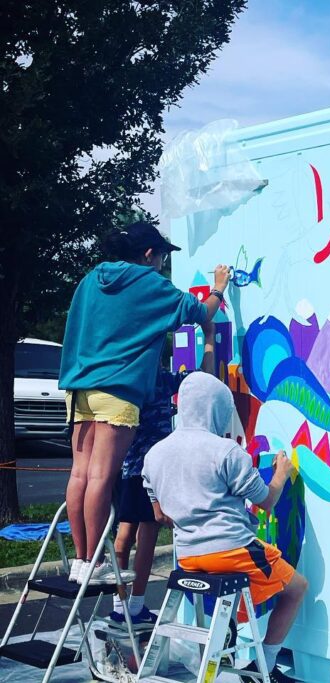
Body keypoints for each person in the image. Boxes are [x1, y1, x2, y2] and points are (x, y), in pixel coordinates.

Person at [59, 220, 230, 584]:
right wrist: (218, 288)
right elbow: (201, 313)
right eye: (163, 258)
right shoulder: (149, 283)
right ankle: (94, 565)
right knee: (101, 476)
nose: (163, 266)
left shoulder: (91, 280)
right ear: (149, 254)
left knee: (79, 474)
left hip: (78, 386)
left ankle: (80, 560)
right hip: (118, 389)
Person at [142, 372, 308, 683]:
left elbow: (160, 514)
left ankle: (228, 645)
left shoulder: (154, 454)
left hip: (189, 557)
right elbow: (267, 500)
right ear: (217, 409)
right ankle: (267, 669)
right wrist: (282, 473)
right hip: (231, 549)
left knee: (237, 590)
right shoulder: (226, 451)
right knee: (297, 589)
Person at [109, 334, 213, 627]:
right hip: (153, 470)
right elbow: (202, 378)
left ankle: (119, 605)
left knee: (125, 534)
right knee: (146, 535)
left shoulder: (127, 382)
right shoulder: (161, 380)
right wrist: (209, 341)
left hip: (129, 468)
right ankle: (135, 605)